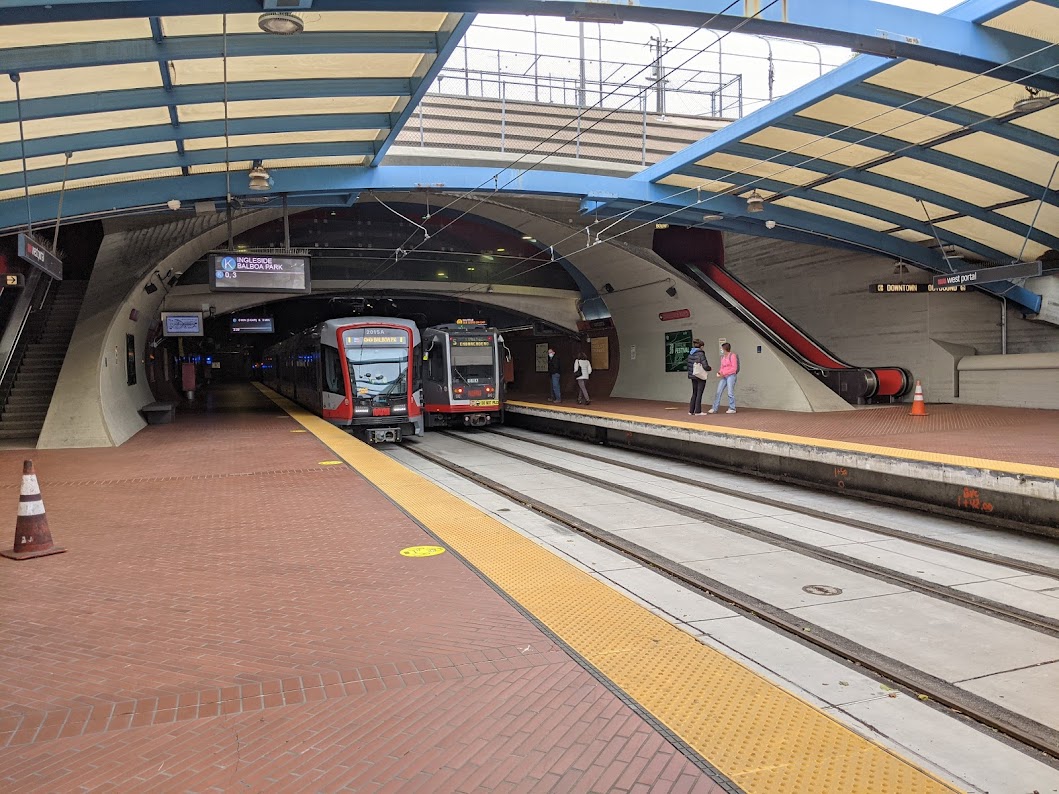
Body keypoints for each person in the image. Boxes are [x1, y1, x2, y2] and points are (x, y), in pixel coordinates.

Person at [708, 342, 739, 414]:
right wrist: (719, 372)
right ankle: (714, 408)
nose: (721, 350)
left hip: (731, 376)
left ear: (725, 349)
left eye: (722, 348)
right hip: (724, 376)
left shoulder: (732, 356)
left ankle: (732, 408)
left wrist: (723, 373)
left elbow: (734, 368)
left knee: (730, 392)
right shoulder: (723, 357)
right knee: (718, 391)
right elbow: (722, 367)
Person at [686, 338, 710, 415]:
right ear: (701, 346)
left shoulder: (690, 353)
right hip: (700, 375)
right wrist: (709, 368)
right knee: (699, 393)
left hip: (693, 375)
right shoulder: (701, 353)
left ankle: (691, 411)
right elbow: (705, 365)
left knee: (694, 393)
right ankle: (698, 411)